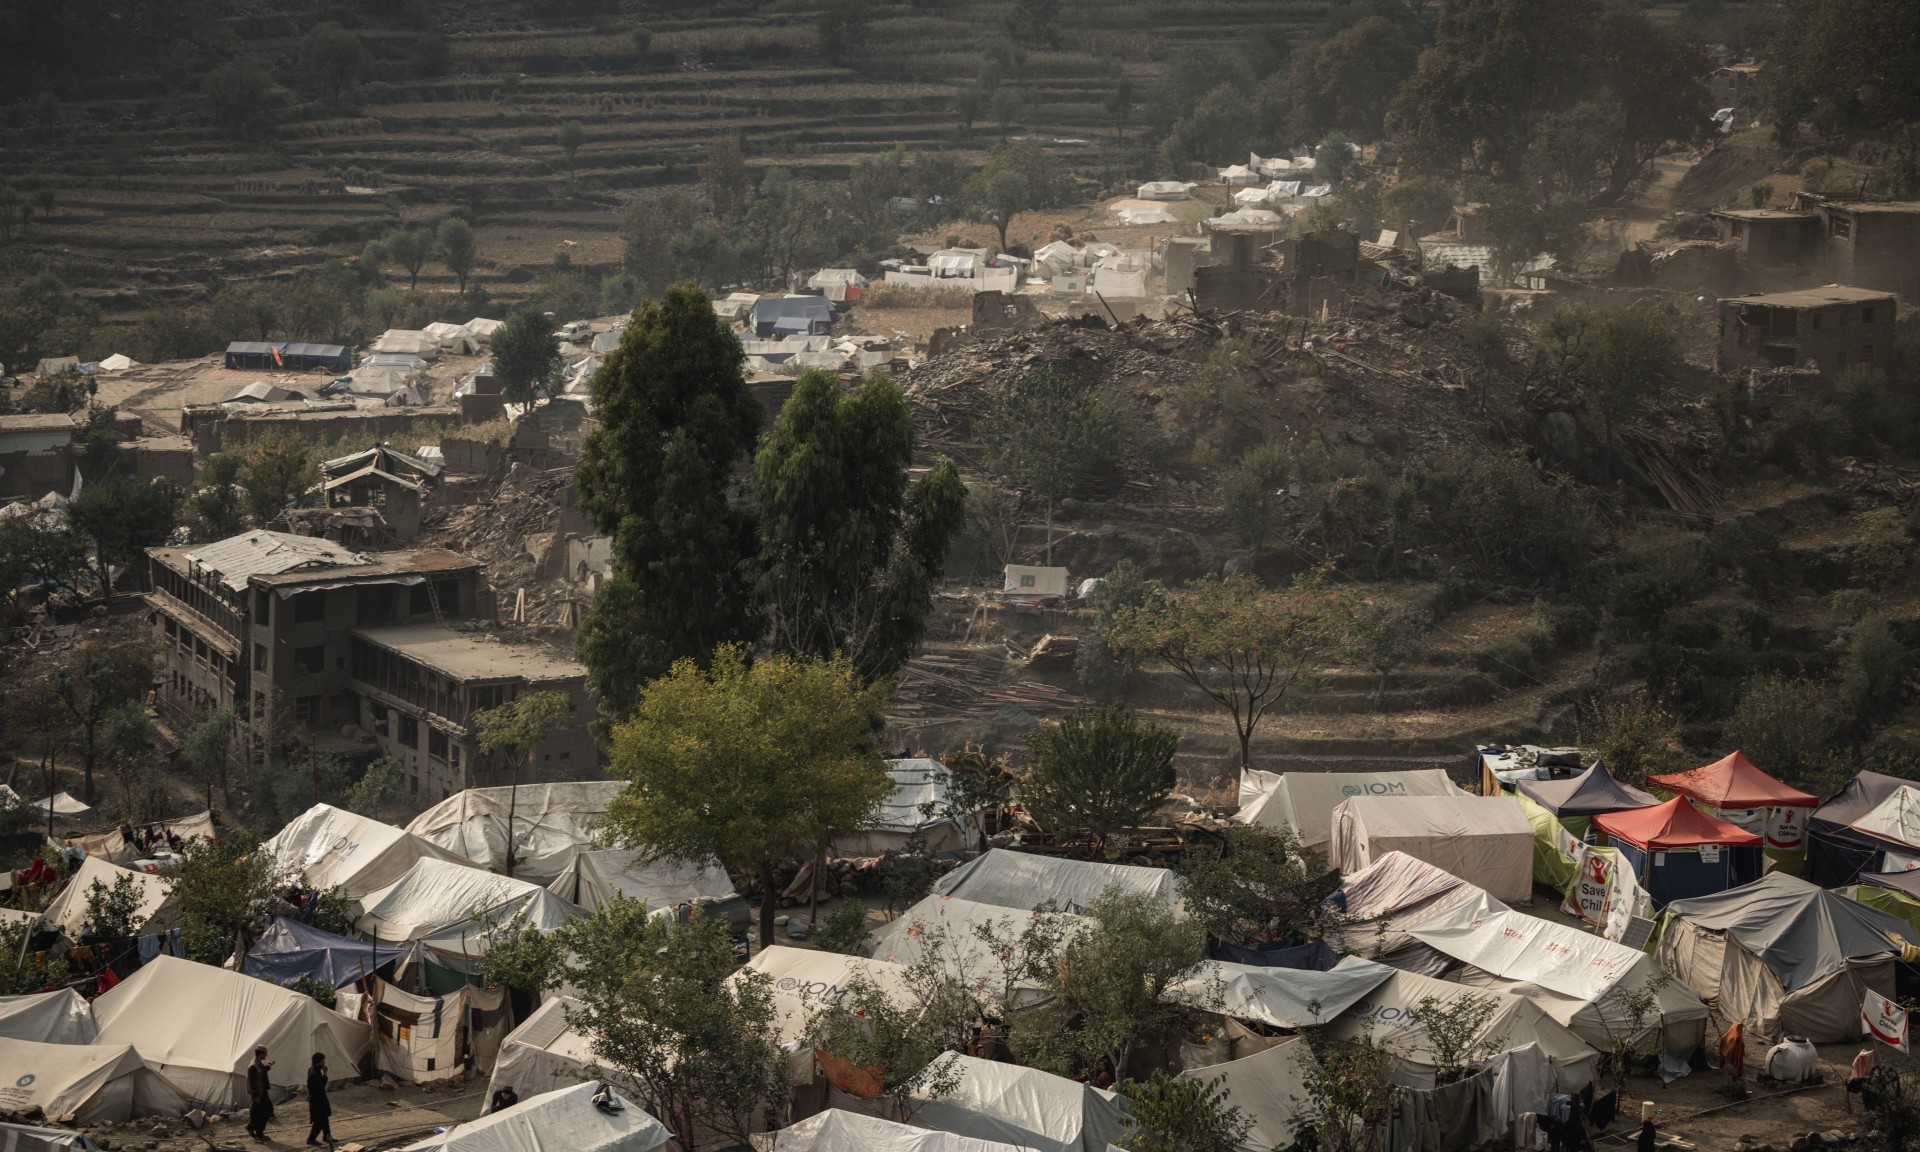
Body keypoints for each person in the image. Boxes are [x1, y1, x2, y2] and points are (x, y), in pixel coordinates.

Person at [246, 1046, 275, 1142]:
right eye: (265, 1053)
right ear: (261, 1053)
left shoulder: (258, 1063)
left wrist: (267, 1067)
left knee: (262, 1112)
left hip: (263, 1092)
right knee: (266, 1111)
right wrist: (256, 1096)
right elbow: (252, 1082)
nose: (266, 1054)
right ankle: (258, 1133)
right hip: (259, 1093)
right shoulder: (253, 1066)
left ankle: (253, 1128)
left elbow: (261, 1073)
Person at [306, 1052, 333, 1146]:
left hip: (319, 1098)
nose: (324, 1063)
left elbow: (310, 1084)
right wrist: (325, 1073)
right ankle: (311, 1139)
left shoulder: (312, 1070)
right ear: (318, 1062)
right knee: (319, 1121)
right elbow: (321, 1086)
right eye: (322, 1061)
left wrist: (309, 1093)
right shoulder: (314, 1073)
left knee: (324, 1118)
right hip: (317, 1100)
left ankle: (327, 1136)